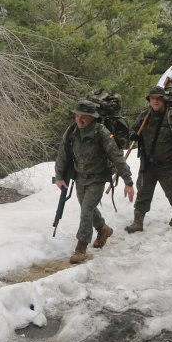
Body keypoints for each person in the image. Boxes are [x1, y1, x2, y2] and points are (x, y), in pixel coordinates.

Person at [54, 99, 135, 264]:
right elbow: (63, 153)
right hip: (80, 176)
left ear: (92, 117)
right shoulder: (72, 131)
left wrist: (128, 182)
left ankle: (81, 249)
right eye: (77, 115)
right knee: (88, 208)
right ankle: (103, 229)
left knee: (86, 210)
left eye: (83, 116)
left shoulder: (101, 132)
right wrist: (59, 176)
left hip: (98, 178)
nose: (79, 119)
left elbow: (117, 157)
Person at [125, 86, 172, 233]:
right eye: (153, 98)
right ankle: (138, 222)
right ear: (149, 100)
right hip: (147, 164)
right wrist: (134, 135)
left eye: (158, 99)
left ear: (164, 100)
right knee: (143, 193)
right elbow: (134, 129)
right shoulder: (144, 116)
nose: (155, 101)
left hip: (168, 164)